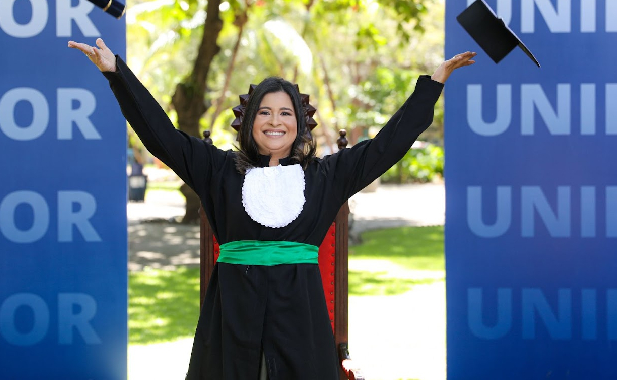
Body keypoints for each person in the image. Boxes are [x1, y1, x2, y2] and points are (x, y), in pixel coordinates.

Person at [68, 37, 475, 380]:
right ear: (248, 121)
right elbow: (160, 135)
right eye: (264, 112)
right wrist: (116, 74)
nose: (274, 121)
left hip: (301, 318)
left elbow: (388, 145)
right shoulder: (218, 171)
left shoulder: (326, 176)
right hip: (232, 316)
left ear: (300, 122)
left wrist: (432, 85)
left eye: (285, 113)